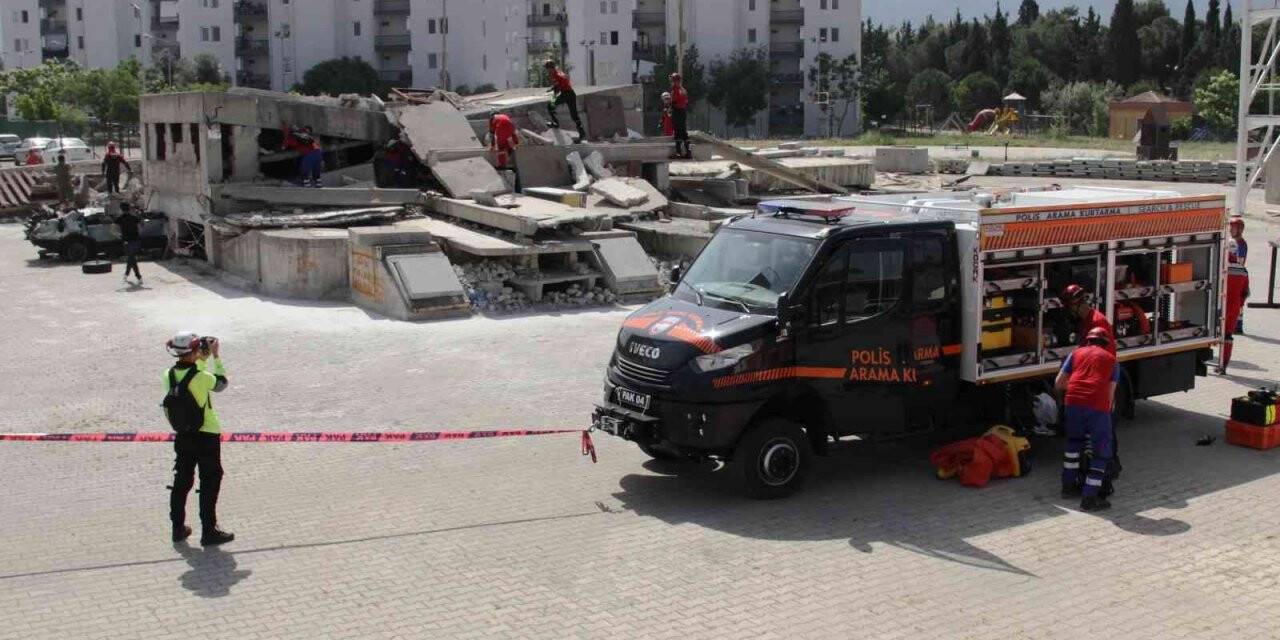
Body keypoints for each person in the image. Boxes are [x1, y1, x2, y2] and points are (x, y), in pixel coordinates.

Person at [164, 332, 235, 546]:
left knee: (182, 481)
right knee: (210, 481)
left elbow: (191, 376)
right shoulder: (202, 377)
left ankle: (178, 528)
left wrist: (200, 359)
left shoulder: (168, 375)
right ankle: (209, 531)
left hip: (183, 436)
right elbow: (221, 383)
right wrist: (215, 356)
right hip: (207, 437)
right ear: (194, 351)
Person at [1056, 327, 1120, 512]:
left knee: (1073, 445)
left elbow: (1059, 383)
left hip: (1073, 403)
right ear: (1106, 344)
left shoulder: (1075, 354)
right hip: (1097, 407)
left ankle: (1068, 487)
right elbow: (1110, 396)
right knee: (1101, 453)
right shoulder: (1112, 361)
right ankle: (1089, 498)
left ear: (1088, 340)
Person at [1219, 239, 1251, 374]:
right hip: (1234, 307)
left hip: (1220, 305)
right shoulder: (1243, 270)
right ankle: (1223, 366)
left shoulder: (1221, 268)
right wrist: (1240, 305)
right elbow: (1245, 292)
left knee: (1212, 334)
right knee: (1227, 336)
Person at [1061, 284, 1115, 354]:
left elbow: (1095, 355)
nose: (1070, 311)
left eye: (1070, 307)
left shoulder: (1096, 322)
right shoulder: (1086, 320)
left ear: (1078, 304)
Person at [544, 60, 584, 135]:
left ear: (551, 68)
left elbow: (557, 90)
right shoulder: (558, 71)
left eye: (547, 69)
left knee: (550, 106)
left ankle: (556, 123)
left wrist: (553, 99)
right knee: (574, 116)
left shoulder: (556, 75)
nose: (547, 71)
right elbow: (562, 83)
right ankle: (582, 134)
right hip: (571, 94)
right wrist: (553, 87)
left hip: (566, 94)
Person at [282, 122, 324, 187]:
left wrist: (285, 144)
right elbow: (308, 131)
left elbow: (284, 146)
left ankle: (307, 185)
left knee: (304, 170)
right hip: (317, 150)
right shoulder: (303, 132)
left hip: (310, 152)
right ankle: (318, 184)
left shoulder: (292, 137)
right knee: (316, 169)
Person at [1229, 216, 1248, 334]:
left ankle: (1238, 324)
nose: (1231, 229)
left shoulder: (1240, 244)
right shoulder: (1233, 241)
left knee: (1238, 300)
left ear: (1240, 229)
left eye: (1233, 227)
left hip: (1238, 274)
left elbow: (1240, 261)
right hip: (1235, 273)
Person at [117, 202, 143, 285]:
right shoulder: (134, 217)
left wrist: (119, 235)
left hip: (126, 241)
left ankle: (128, 275)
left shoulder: (119, 218)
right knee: (132, 258)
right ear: (129, 209)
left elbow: (112, 229)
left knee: (131, 258)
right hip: (135, 240)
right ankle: (137, 277)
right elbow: (142, 225)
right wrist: (139, 232)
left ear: (121, 209)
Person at [670, 72, 691, 159]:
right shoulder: (683, 90)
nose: (671, 82)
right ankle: (688, 152)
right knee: (684, 132)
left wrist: (671, 106)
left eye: (672, 80)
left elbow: (674, 102)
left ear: (675, 81)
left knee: (677, 132)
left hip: (677, 112)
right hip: (683, 112)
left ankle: (678, 153)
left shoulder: (676, 90)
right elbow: (686, 101)